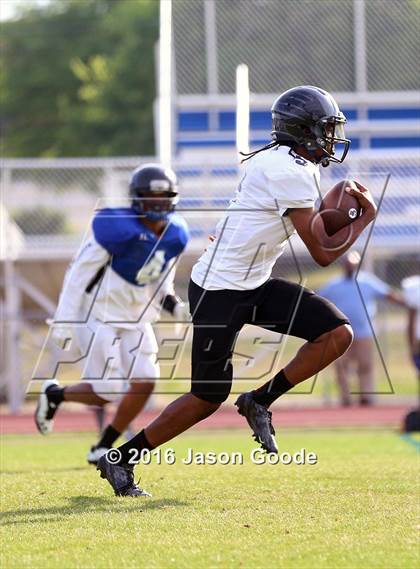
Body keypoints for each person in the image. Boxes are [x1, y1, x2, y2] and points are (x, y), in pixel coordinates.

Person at [97, 85, 377, 497]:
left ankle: (259, 400)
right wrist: (363, 218)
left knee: (337, 333)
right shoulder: (289, 170)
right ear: (303, 131)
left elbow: (316, 228)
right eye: (325, 129)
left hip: (253, 281)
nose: (332, 138)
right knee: (207, 397)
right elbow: (320, 252)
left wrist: (341, 217)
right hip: (219, 289)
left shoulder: (289, 163)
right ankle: (120, 459)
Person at [35, 164, 189, 466]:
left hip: (135, 315)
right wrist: (64, 321)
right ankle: (55, 394)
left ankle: (103, 446)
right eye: (150, 195)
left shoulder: (175, 234)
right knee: (108, 390)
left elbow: (161, 282)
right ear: (136, 198)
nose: (157, 203)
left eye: (163, 196)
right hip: (97, 313)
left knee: (146, 380)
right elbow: (77, 275)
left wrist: (175, 306)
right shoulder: (115, 228)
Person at [319, 250, 407, 406]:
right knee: (341, 366)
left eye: (352, 264)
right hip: (341, 333)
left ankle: (366, 396)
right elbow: (319, 299)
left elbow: (388, 294)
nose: (350, 266)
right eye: (347, 263)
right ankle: (345, 398)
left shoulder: (367, 282)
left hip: (363, 333)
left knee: (365, 365)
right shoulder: (334, 285)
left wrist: (408, 304)